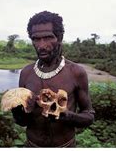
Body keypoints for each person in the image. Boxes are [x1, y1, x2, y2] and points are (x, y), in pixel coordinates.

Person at [12, 11, 94, 147]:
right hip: (32, 145)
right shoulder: (26, 73)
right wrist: (17, 112)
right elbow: (23, 122)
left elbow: (89, 116)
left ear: (60, 37)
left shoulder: (76, 72)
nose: (41, 45)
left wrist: (65, 115)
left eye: (48, 37)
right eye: (36, 39)